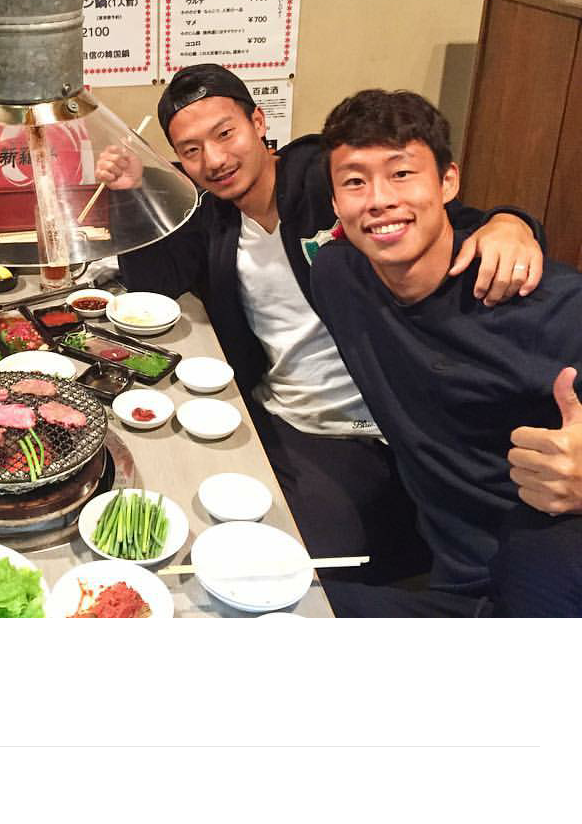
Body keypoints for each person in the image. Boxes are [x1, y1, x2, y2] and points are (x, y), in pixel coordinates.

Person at [96, 64, 543, 581]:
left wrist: (511, 222)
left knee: (295, 561)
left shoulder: (320, 177)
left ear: (258, 122)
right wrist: (129, 192)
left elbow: (436, 220)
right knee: (207, 512)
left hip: (386, 420)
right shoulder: (213, 216)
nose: (214, 160)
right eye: (191, 150)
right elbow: (155, 286)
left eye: (225, 134)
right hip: (294, 420)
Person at [311, 88, 582, 615]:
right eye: (355, 182)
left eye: (402, 174)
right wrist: (511, 218)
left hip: (549, 587)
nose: (379, 199)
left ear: (448, 182)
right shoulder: (338, 278)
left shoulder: (546, 304)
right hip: (453, 582)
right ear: (337, 204)